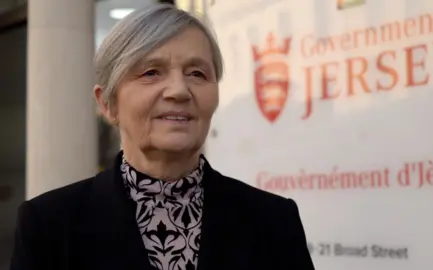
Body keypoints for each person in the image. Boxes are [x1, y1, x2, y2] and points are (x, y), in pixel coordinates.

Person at [10, 4, 314, 270]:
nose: (179, 91)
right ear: (107, 103)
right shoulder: (48, 225)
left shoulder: (273, 220)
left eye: (197, 73)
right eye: (151, 72)